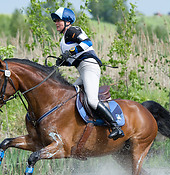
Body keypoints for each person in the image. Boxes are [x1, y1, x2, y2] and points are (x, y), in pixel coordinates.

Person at [51, 7, 124, 140]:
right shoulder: (63, 40)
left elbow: (87, 42)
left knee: (92, 100)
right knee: (69, 95)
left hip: (90, 67)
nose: (56, 23)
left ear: (67, 21)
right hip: (82, 69)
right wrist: (62, 62)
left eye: (59, 20)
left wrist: (71, 52)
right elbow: (73, 60)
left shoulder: (73, 30)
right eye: (55, 20)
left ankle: (115, 127)